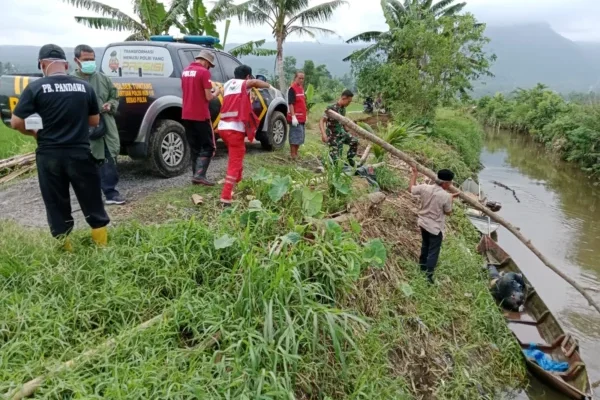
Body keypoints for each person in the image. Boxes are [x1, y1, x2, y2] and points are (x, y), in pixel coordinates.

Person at [10, 44, 110, 249]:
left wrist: (34, 132)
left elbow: (16, 122)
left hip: (50, 155)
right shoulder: (85, 87)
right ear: (66, 64)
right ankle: (102, 247)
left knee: (56, 203)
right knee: (91, 199)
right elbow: (93, 121)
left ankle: (67, 252)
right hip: (80, 152)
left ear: (42, 64)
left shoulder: (36, 88)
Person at [71, 44, 125, 205]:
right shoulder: (71, 81)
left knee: (108, 158)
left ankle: (111, 193)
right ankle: (89, 196)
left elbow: (114, 96)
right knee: (86, 161)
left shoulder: (103, 78)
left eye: (92, 59)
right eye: (86, 60)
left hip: (105, 125)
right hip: (83, 128)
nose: (90, 63)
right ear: (76, 60)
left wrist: (110, 104)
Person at [218, 65, 271, 206]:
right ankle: (226, 196)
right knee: (234, 162)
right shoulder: (244, 83)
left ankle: (238, 181)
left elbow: (219, 91)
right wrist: (268, 85)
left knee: (239, 153)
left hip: (223, 127)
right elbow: (253, 83)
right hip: (234, 129)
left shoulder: (228, 83)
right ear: (248, 76)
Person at [408, 167, 459, 283]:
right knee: (433, 251)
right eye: (450, 183)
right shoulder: (445, 196)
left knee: (425, 245)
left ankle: (421, 267)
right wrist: (451, 199)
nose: (450, 184)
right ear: (446, 183)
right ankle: (428, 277)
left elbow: (411, 189)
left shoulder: (425, 187)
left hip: (423, 223)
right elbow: (448, 212)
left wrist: (415, 174)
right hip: (435, 228)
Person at [181, 50, 217, 185]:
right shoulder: (203, 72)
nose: (209, 68)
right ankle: (200, 175)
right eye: (209, 65)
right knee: (209, 146)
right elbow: (208, 97)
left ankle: (196, 175)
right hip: (201, 115)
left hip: (186, 114)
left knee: (194, 146)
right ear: (206, 62)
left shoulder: (185, 71)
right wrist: (216, 92)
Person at [320, 90, 358, 167]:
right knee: (336, 161)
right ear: (344, 98)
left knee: (354, 141)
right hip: (333, 136)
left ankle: (350, 159)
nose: (349, 103)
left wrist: (347, 129)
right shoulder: (331, 108)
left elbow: (342, 121)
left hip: (342, 133)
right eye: (349, 101)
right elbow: (321, 121)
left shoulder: (343, 109)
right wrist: (323, 134)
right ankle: (326, 162)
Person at [287, 71, 306, 160]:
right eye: (299, 78)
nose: (301, 80)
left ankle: (296, 153)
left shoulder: (301, 88)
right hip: (296, 117)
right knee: (294, 136)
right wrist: (293, 116)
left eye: (302, 78)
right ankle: (292, 154)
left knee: (300, 137)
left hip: (302, 117)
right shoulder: (292, 89)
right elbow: (291, 104)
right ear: (295, 78)